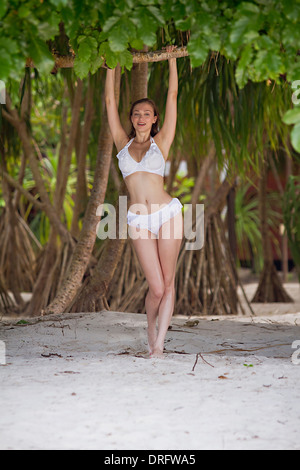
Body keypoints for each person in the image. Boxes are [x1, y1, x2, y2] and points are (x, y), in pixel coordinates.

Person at [105, 46, 183, 358]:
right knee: (156, 287)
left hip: (167, 214)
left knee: (169, 282)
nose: (140, 118)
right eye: (136, 113)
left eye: (146, 114)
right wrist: (110, 63)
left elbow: (173, 97)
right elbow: (110, 100)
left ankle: (159, 345)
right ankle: (150, 326)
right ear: (132, 119)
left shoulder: (161, 143)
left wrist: (173, 61)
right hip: (138, 220)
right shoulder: (122, 146)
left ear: (154, 120)